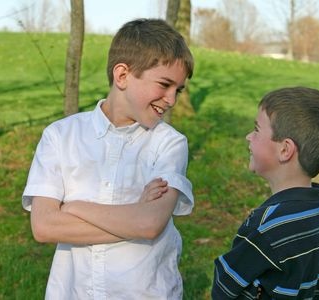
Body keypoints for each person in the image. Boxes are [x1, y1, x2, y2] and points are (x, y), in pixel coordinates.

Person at [22, 18, 194, 299]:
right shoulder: (60, 136)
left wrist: (74, 207)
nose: (171, 99)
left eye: (178, 89)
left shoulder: (170, 144)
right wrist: (134, 215)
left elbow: (150, 225)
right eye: (164, 85)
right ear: (122, 75)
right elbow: (44, 227)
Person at [211, 87, 319, 299]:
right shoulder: (317, 211)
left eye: (256, 130)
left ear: (285, 150)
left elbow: (225, 287)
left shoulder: (267, 226)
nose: (249, 136)